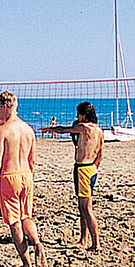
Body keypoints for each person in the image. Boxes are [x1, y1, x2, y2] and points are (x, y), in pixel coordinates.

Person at [0, 91, 48, 267]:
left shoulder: (1, 130)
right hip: (26, 175)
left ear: (6, 107)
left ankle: (27, 264)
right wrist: (29, 177)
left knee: (14, 222)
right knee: (26, 216)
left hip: (9, 176)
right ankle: (37, 243)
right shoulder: (28, 130)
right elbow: (32, 160)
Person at [41, 102, 104, 251]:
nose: (77, 116)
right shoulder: (99, 130)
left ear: (83, 115)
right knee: (82, 208)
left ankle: (96, 244)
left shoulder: (84, 127)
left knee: (86, 209)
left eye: (78, 114)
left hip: (83, 169)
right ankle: (83, 240)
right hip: (91, 168)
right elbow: (100, 153)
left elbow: (63, 129)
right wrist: (94, 167)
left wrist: (50, 129)